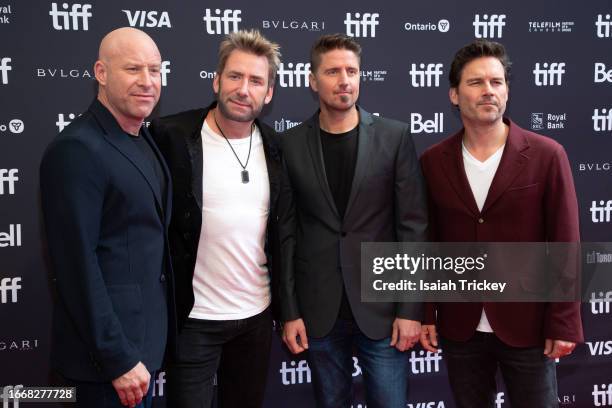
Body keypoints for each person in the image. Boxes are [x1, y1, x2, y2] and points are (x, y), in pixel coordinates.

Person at [419, 39, 583, 408]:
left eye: (497, 82)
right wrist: (426, 311)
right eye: (476, 82)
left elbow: (565, 243)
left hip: (528, 325)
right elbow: (428, 244)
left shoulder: (546, 155)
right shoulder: (433, 162)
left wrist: (563, 321)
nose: (488, 90)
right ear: (454, 95)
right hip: (461, 326)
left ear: (507, 91)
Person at [278, 33, 428, 408]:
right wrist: (290, 311)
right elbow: (286, 232)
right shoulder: (290, 144)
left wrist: (410, 310)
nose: (344, 79)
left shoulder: (394, 137)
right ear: (312, 81)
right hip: (319, 311)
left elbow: (413, 228)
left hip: (382, 310)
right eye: (332, 71)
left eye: (352, 71)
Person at [148, 29, 281, 408]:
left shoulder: (275, 148)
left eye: (256, 81)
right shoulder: (171, 136)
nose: (244, 89)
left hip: (256, 319)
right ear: (217, 80)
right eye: (235, 76)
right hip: (194, 320)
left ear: (269, 93)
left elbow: (282, 232)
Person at [40, 27, 171, 408]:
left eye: (155, 70)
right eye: (133, 69)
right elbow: (76, 267)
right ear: (101, 72)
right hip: (107, 369)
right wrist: (118, 359)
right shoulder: (76, 149)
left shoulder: (140, 138)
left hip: (143, 354)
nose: (147, 82)